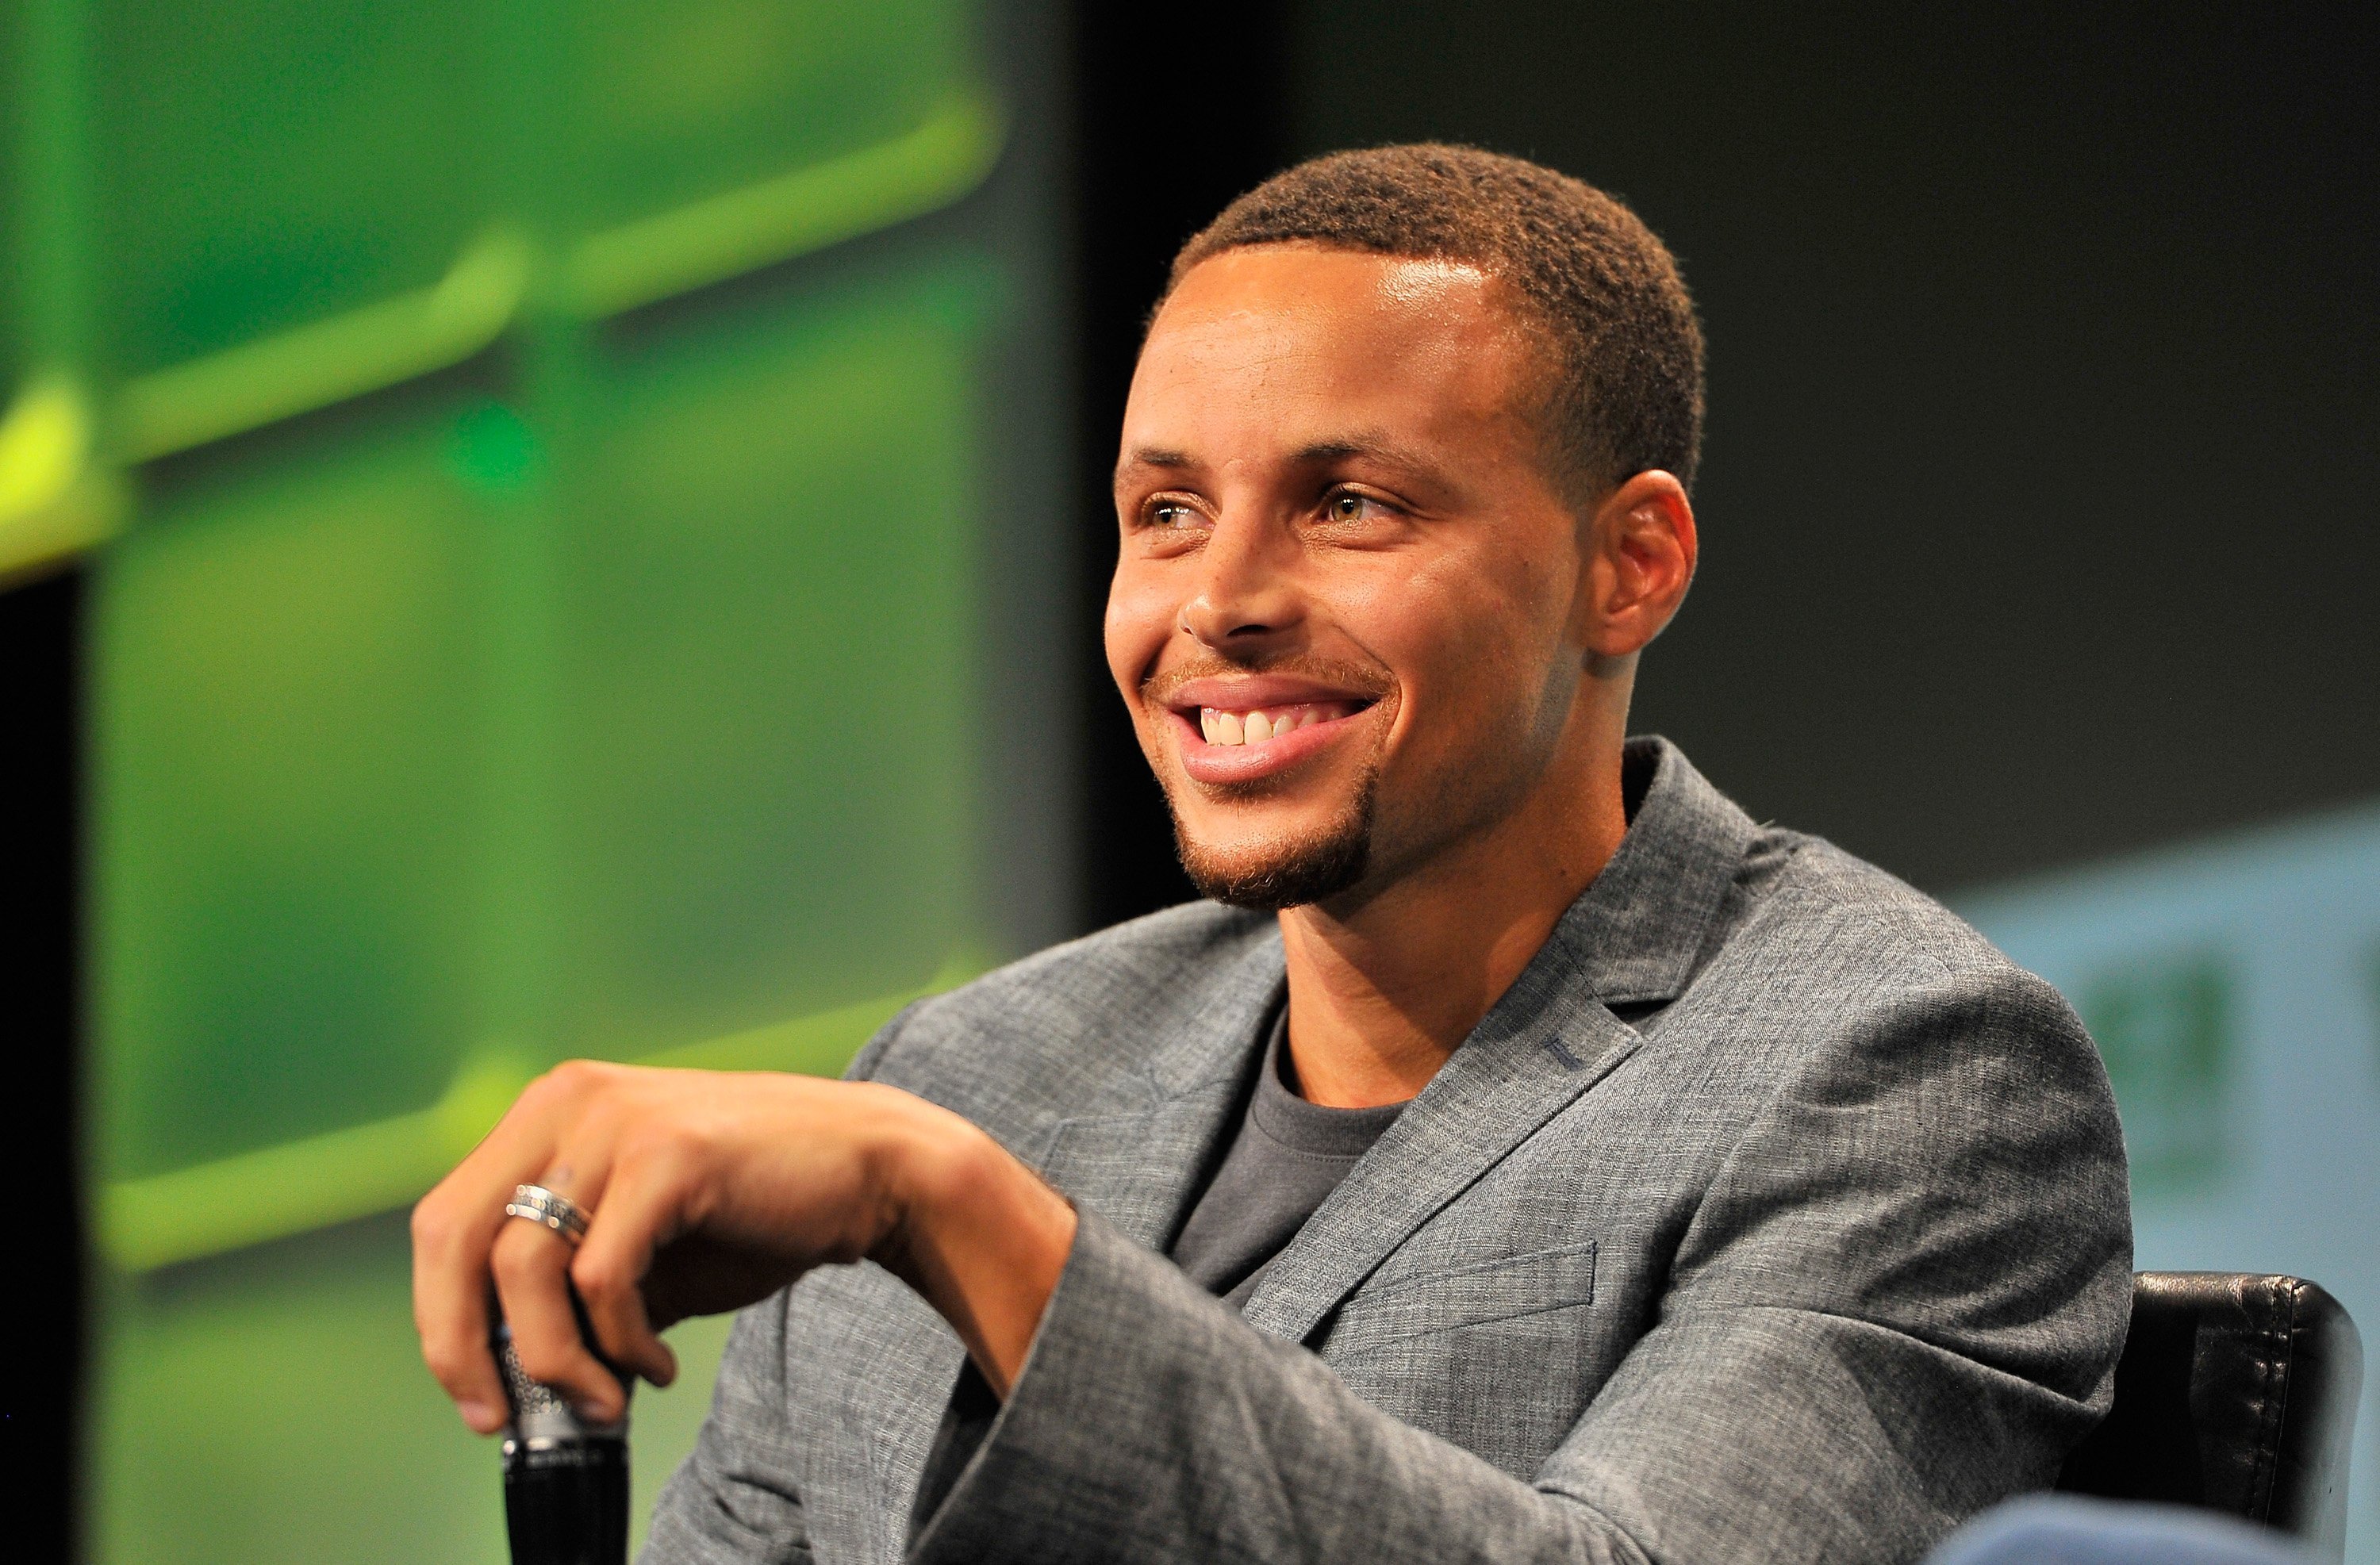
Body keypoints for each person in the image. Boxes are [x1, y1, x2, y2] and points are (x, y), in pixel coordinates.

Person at [412, 144, 2132, 1564]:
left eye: (1349, 505)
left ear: (1630, 566)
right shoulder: (985, 1069)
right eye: (1164, 513)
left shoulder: (1907, 1077)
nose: (1217, 603)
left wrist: (957, 1216)